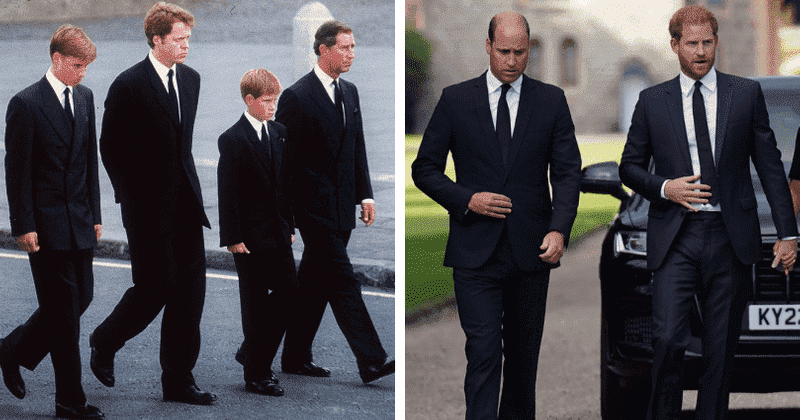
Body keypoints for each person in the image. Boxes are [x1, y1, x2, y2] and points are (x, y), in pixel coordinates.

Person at [619, 6, 798, 420]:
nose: (700, 52)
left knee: (720, 350)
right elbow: (629, 165)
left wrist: (788, 234)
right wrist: (665, 187)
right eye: (692, 44)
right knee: (666, 339)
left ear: (716, 42)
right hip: (676, 236)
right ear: (675, 45)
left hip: (729, 236)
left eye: (707, 43)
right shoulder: (652, 102)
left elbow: (770, 165)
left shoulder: (745, 94)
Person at [412, 11, 582, 419]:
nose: (511, 60)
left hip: (532, 252)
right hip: (475, 252)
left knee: (523, 365)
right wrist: (466, 199)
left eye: (520, 52)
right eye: (503, 51)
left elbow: (566, 173)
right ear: (488, 46)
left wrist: (560, 231)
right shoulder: (456, 100)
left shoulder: (551, 100)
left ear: (529, 50)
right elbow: (425, 169)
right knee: (484, 353)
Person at [89, 2, 216, 405]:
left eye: (188, 39)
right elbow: (109, 148)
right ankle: (105, 340)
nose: (185, 46)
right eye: (178, 40)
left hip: (186, 206)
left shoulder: (192, 80)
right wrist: (131, 198)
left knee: (190, 294)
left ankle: (178, 381)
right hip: (145, 210)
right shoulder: (128, 84)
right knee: (154, 288)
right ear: (157, 39)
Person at [275, 19, 394, 384]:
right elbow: (284, 163)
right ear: (324, 49)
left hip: (343, 207)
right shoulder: (296, 97)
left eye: (353, 47)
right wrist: (287, 217)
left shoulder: (351, 92)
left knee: (313, 285)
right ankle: (371, 359)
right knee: (343, 280)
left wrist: (366, 193)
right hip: (312, 212)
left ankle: (293, 356)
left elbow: (356, 147)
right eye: (344, 47)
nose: (351, 53)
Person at [0, 25, 104, 419]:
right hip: (43, 226)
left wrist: (95, 214)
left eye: (86, 67)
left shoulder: (86, 97)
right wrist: (22, 225)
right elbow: (17, 172)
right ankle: (69, 402)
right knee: (63, 316)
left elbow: (89, 162)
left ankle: (11, 350)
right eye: (77, 66)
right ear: (57, 59)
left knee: (82, 300)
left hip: (79, 219)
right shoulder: (26, 103)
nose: (82, 74)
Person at [217, 69, 297, 397]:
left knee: (290, 294)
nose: (273, 105)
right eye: (266, 100)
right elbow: (228, 193)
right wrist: (233, 237)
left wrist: (290, 225)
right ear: (249, 100)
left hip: (278, 233)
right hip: (248, 238)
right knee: (253, 304)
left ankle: (252, 351)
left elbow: (285, 186)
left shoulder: (279, 132)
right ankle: (257, 374)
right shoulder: (233, 139)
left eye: (275, 99)